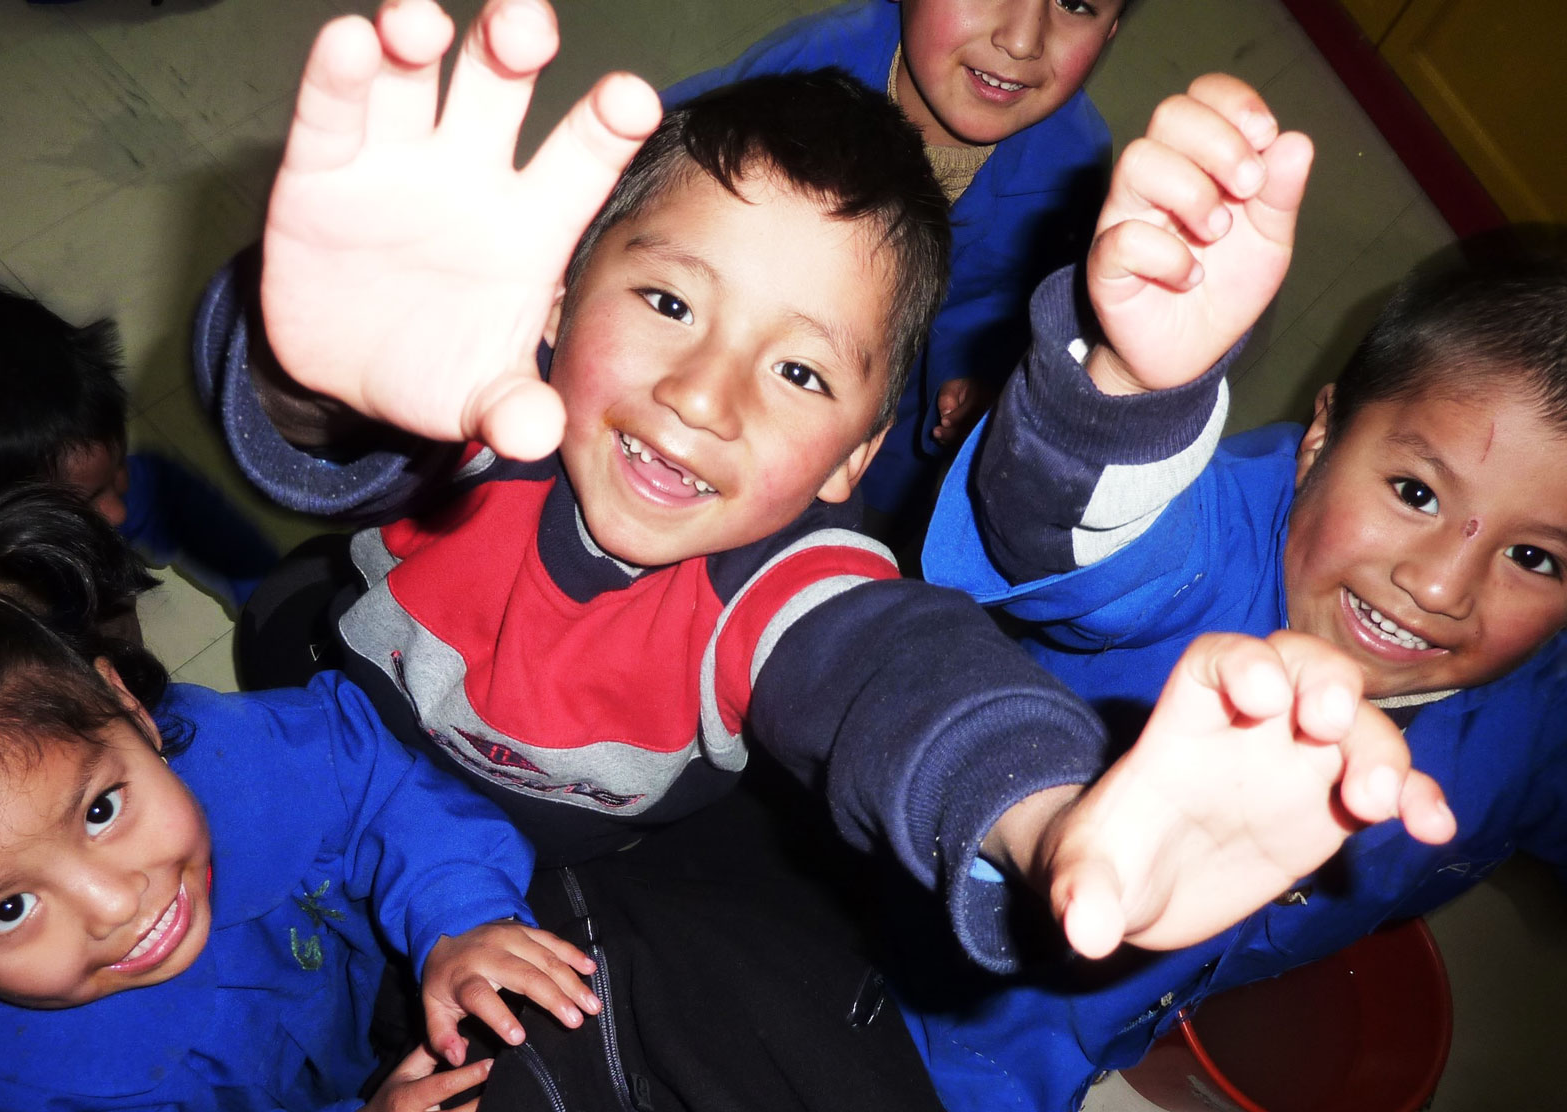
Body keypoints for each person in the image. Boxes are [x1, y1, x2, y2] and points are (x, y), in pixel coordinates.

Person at [201, 0, 1455, 981]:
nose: (705, 393)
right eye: (670, 301)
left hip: (520, 887)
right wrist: (307, 378)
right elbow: (333, 427)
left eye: (800, 369)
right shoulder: (495, 397)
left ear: (858, 461)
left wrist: (1050, 818)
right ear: (559, 296)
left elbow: (898, 679)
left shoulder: (788, 588)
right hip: (334, 713)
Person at [919, 72, 1567, 1110]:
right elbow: (1060, 525)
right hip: (902, 987)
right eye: (1413, 491)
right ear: (1318, 437)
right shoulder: (1203, 545)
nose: (1440, 584)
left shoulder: (1538, 711)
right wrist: (1128, 393)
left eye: (1539, 558)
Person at [0, 487, 603, 1111]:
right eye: (7, 911)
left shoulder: (234, 754)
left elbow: (382, 785)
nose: (114, 903)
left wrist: (459, 917)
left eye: (101, 810)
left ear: (131, 707)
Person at [665, 0, 1125, 540]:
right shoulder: (799, 72)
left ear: (1111, 30)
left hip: (896, 460)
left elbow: (1032, 308)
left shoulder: (1077, 161)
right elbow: (653, 188)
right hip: (720, 409)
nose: (1022, 41)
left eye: (1075, 3)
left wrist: (989, 382)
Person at [0, 274, 279, 610]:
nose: (118, 511)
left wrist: (271, 599)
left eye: (118, 468)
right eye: (88, 502)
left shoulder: (76, 484)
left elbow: (181, 510)